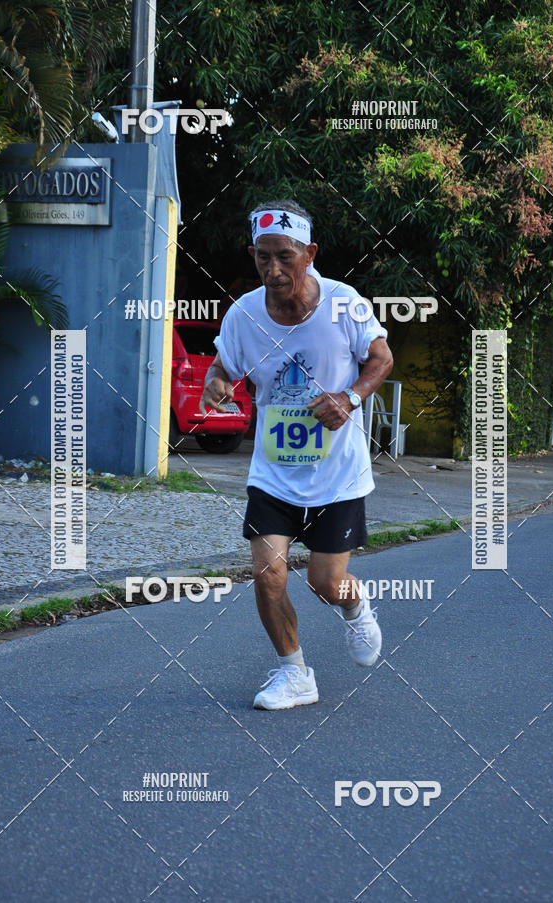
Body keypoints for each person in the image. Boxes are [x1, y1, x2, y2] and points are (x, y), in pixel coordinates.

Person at [199, 200, 393, 710]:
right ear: (253, 254)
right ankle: (295, 674)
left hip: (337, 476)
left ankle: (356, 610)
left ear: (309, 253)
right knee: (268, 574)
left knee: (326, 584)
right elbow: (221, 368)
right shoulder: (244, 315)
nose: (274, 269)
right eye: (263, 257)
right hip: (274, 476)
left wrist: (348, 398)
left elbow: (382, 357)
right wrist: (215, 386)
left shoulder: (344, 303)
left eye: (285, 256)